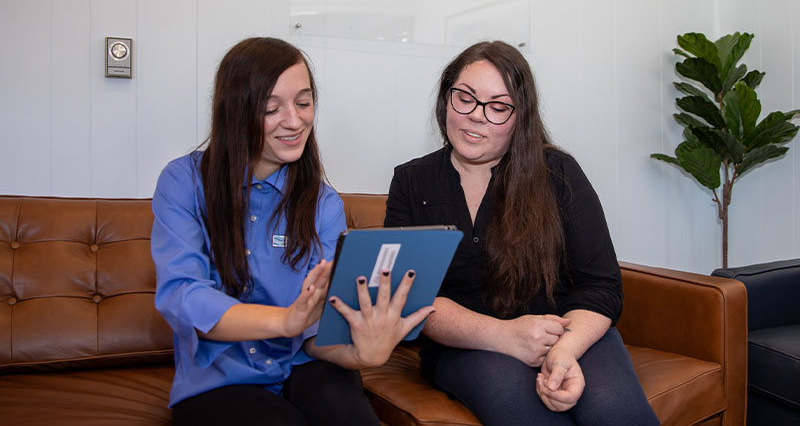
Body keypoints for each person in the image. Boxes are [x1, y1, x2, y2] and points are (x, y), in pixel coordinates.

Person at [151, 37, 433, 426]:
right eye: (271, 108)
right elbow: (183, 294)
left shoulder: (323, 203)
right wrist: (284, 321)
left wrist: (362, 355)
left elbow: (318, 332)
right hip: (219, 381)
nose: (295, 120)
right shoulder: (183, 182)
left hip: (307, 365)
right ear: (234, 112)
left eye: (303, 103)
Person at [384, 41, 660, 425]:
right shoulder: (412, 182)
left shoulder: (558, 174)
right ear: (446, 99)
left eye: (498, 107)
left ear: (520, 117)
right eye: (465, 98)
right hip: (468, 346)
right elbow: (409, 297)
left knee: (615, 412)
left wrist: (563, 352)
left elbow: (601, 285)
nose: (477, 116)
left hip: (567, 329)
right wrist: (504, 336)